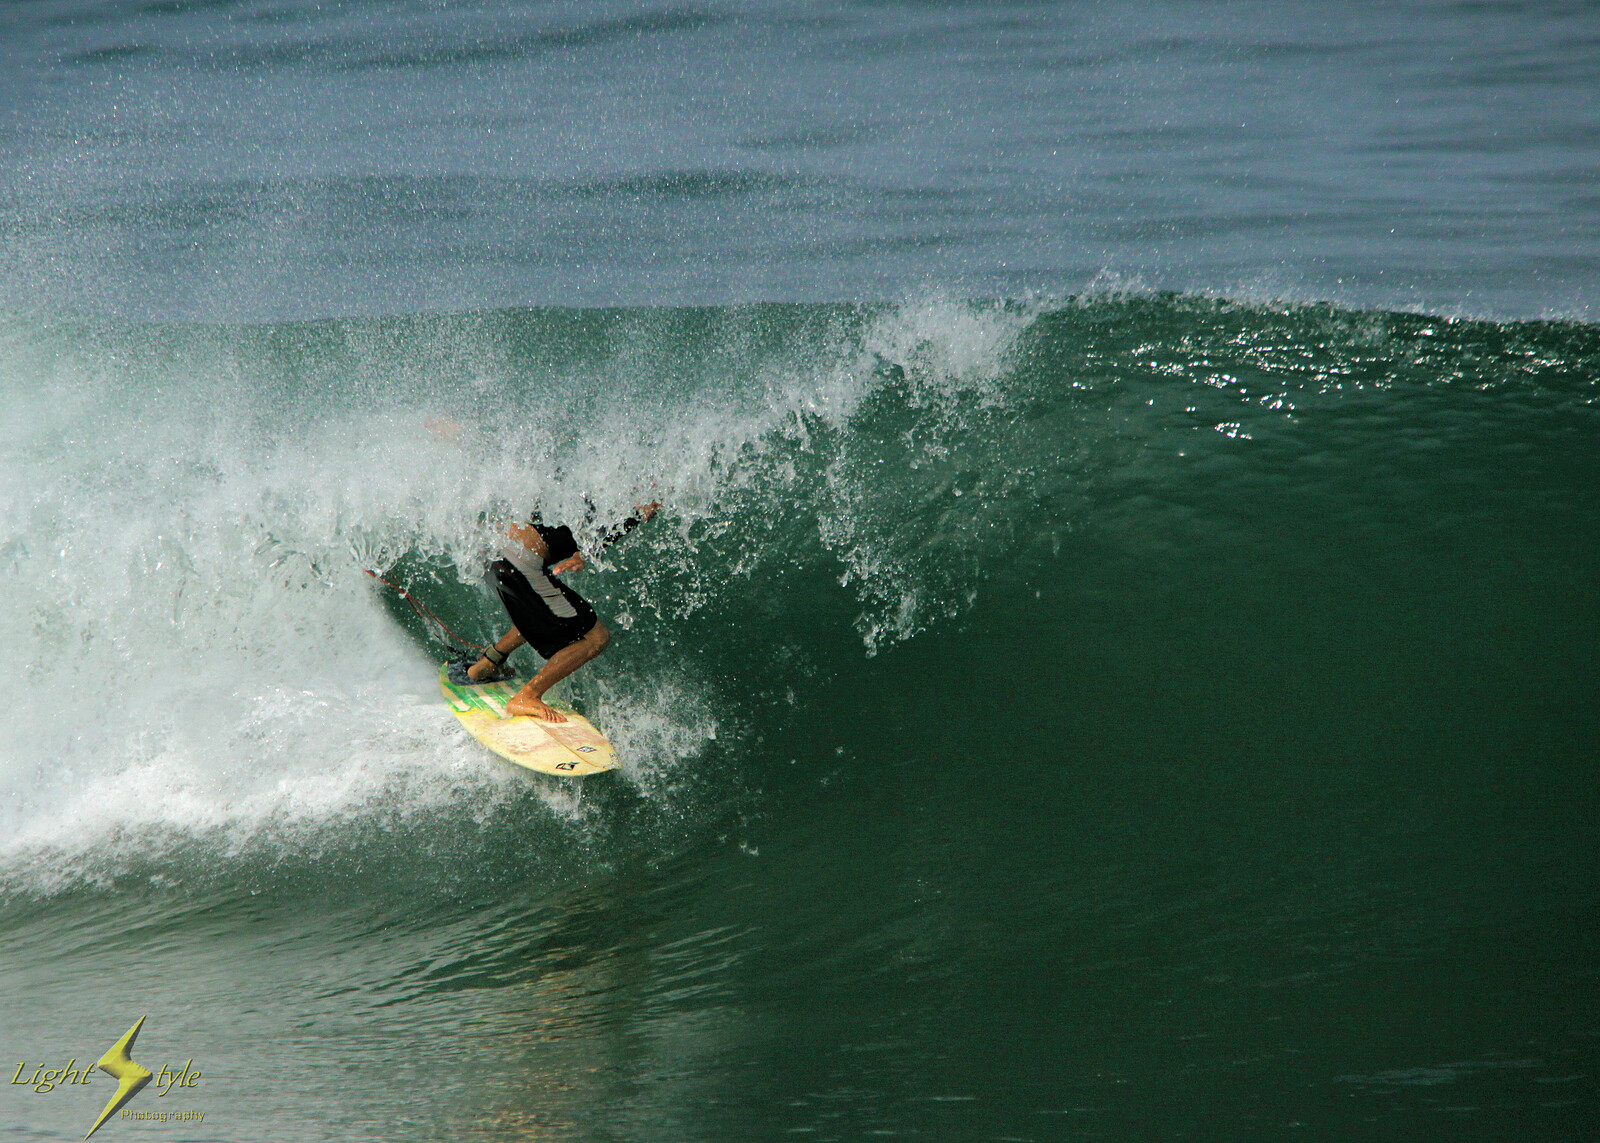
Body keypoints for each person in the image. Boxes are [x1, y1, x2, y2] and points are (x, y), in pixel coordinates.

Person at [452, 501, 660, 722]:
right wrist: (581, 556)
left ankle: (485, 666)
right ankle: (527, 696)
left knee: (543, 611)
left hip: (494, 549)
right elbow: (592, 535)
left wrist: (578, 554)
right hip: (520, 562)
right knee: (597, 637)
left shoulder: (592, 482)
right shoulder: (625, 509)